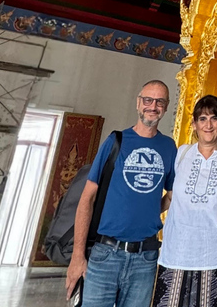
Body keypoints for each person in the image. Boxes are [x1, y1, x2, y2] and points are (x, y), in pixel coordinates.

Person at [65, 80, 177, 307]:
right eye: (148, 100)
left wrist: (150, 210)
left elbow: (173, 193)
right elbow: (87, 199)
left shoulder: (168, 147)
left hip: (145, 257)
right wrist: (78, 256)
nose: (152, 106)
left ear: (165, 107)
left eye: (159, 102)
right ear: (138, 103)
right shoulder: (116, 141)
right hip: (106, 253)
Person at [152, 95, 217, 307]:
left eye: (213, 118)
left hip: (214, 255)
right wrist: (142, 219)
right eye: (202, 119)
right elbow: (171, 196)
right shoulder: (182, 153)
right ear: (193, 124)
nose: (208, 125)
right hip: (175, 253)